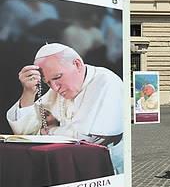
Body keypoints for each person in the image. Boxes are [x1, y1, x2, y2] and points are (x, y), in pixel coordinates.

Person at [6, 43, 124, 174]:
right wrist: (28, 92)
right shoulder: (55, 91)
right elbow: (25, 133)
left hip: (106, 170)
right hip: (68, 168)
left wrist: (50, 130)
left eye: (57, 77)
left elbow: (90, 139)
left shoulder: (106, 81)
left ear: (77, 64)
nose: (55, 88)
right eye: (48, 82)